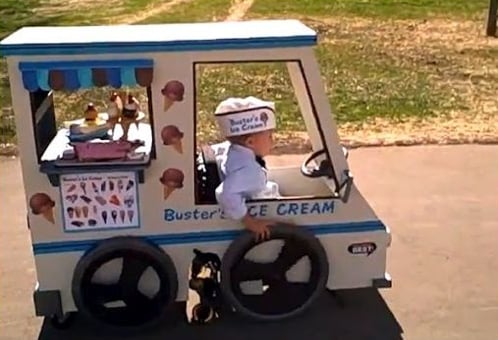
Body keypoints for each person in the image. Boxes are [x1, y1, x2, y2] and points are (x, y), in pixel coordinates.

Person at [214, 96, 281, 241]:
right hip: (261, 209)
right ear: (250, 142)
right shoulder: (250, 171)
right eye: (269, 136)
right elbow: (224, 193)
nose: (273, 141)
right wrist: (250, 222)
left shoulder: (229, 149)